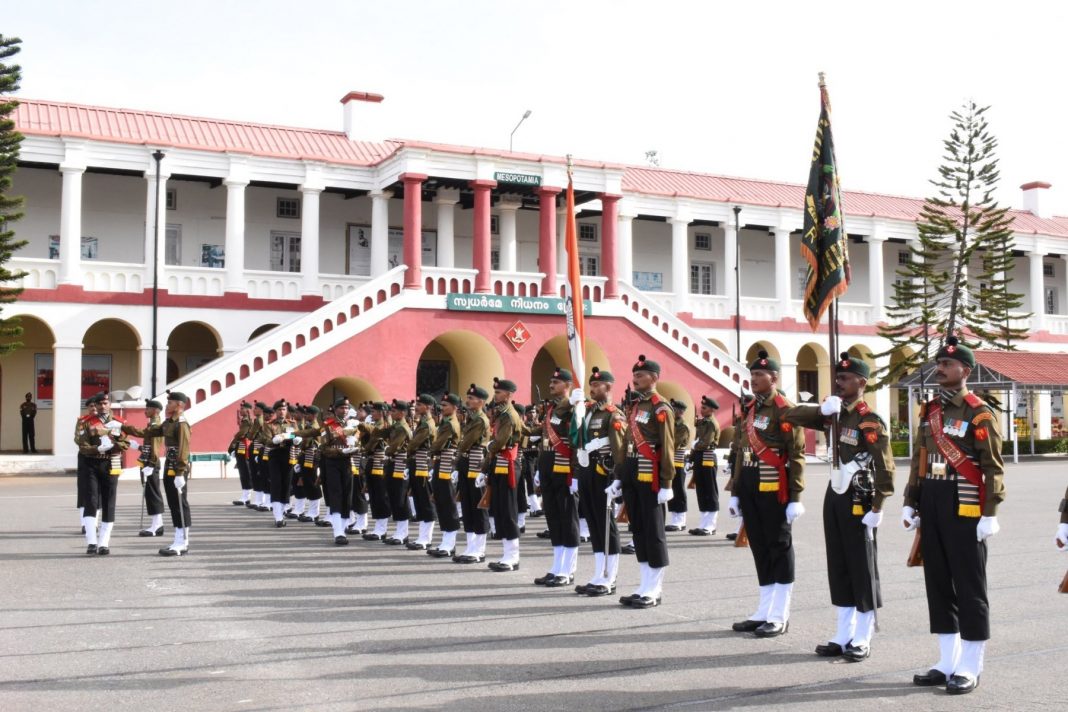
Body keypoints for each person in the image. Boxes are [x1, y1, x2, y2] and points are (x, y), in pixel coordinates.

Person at [904, 336, 1005, 694]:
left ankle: (971, 664)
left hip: (965, 505)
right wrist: (911, 501)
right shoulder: (930, 411)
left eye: (947, 364)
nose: (940, 368)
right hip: (932, 500)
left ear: (966, 369)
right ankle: (947, 660)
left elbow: (992, 467)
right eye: (938, 363)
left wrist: (990, 512)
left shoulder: (979, 412)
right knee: (939, 584)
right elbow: (920, 459)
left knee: (969, 585)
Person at [783, 351, 895, 661]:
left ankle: (863, 635)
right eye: (838, 377)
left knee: (862, 566)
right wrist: (821, 408)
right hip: (835, 493)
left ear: (861, 382)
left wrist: (879, 505)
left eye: (845, 378)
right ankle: (843, 632)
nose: (839, 382)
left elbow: (885, 465)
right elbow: (790, 416)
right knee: (839, 564)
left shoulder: (869, 420)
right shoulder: (834, 415)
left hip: (859, 497)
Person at [728, 350, 805, 637]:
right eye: (752, 374)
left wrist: (796, 497)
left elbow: (796, 454)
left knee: (779, 548)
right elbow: (740, 451)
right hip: (749, 485)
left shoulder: (785, 408)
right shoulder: (751, 408)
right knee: (759, 546)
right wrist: (736, 491)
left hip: (774, 486)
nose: (754, 379)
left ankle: (779, 614)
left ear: (774, 378)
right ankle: (763, 610)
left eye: (759, 375)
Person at [608, 355, 675, 608]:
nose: (636, 379)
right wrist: (618, 476)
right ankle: (644, 584)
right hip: (633, 472)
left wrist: (667, 483)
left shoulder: (661, 407)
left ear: (654, 378)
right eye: (635, 375)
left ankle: (654, 589)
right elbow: (626, 444)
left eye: (641, 375)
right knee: (638, 530)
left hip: (651, 476)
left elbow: (668, 447)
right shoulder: (635, 407)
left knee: (654, 532)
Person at [576, 367, 626, 596]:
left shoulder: (613, 414)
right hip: (588, 471)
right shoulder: (588, 412)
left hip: (603, 472)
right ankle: (598, 573)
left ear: (608, 386)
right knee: (594, 524)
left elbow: (618, 450)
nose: (592, 388)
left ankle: (609, 577)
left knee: (606, 525)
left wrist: (618, 478)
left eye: (597, 385)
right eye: (591, 385)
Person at [534, 367, 582, 587]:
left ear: (568, 385)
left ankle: (568, 569)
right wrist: (539, 469)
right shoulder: (551, 407)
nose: (551, 385)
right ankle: (556, 566)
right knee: (553, 516)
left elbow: (576, 440)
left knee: (567, 517)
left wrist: (576, 474)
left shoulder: (573, 408)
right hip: (548, 464)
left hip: (564, 466)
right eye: (551, 381)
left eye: (556, 382)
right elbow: (545, 438)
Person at [142, 391, 193, 557]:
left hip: (178, 466)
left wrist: (180, 472)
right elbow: (152, 432)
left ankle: (183, 542)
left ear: (179, 405)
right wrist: (121, 428)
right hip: (170, 464)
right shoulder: (169, 422)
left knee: (179, 502)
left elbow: (184, 449)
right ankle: (178, 539)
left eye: (170, 403)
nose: (167, 405)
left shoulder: (182, 423)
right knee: (172, 501)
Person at [486, 377, 524, 572]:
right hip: (500, 463)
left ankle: (513, 557)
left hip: (508, 464)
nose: (496, 395)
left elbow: (500, 442)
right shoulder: (502, 413)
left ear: (508, 395)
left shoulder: (508, 415)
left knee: (508, 511)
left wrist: (489, 446)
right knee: (500, 509)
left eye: (499, 392)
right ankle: (506, 554)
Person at [455, 384, 491, 563]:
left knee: (478, 506)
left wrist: (456, 455)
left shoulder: (480, 420)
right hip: (465, 462)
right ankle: (470, 547)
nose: (468, 401)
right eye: (468, 398)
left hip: (475, 464)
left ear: (481, 402)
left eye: (471, 398)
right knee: (468, 506)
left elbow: (466, 442)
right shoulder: (471, 418)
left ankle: (480, 550)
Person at [123, 399, 167, 537]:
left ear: (156, 410)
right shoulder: (153, 423)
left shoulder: (156, 424)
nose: (145, 411)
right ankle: (156, 524)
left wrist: (151, 464)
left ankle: (157, 525)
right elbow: (148, 445)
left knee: (153, 492)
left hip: (150, 463)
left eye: (148, 408)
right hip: (147, 460)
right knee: (150, 492)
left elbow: (155, 447)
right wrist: (139, 447)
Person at [428, 393, 463, 558]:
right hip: (441, 462)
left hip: (446, 464)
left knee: (448, 503)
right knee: (441, 502)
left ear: (455, 407)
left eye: (445, 405)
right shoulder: (445, 422)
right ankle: (445, 541)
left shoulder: (449, 424)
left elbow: (437, 445)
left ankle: (450, 544)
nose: (442, 408)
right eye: (441, 405)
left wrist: (429, 449)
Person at [406, 394, 439, 550]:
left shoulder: (427, 424)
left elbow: (413, 444)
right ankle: (422, 537)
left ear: (428, 407)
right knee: (419, 499)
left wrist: (406, 447)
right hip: (417, 463)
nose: (417, 407)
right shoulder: (422, 423)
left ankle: (426, 538)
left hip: (422, 464)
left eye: (420, 405)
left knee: (425, 500)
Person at [688, 396, 722, 536]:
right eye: (701, 407)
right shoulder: (703, 422)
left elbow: (706, 442)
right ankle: (704, 524)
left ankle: (710, 525)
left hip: (707, 457)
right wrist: (691, 458)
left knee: (710, 491)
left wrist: (695, 445)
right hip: (700, 457)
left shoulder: (711, 423)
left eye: (704, 408)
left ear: (712, 410)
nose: (702, 410)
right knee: (701, 491)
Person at [383, 399, 413, 545]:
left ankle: (403, 533)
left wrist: (386, 451)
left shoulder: (402, 428)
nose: (391, 413)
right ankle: (399, 532)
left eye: (394, 411)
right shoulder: (396, 426)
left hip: (400, 463)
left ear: (402, 413)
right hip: (393, 463)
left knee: (400, 497)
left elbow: (394, 447)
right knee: (394, 496)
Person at [362, 402, 393, 541]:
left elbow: (372, 442)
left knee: (380, 495)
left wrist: (363, 449)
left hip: (379, 463)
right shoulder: (377, 425)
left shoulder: (383, 425)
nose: (372, 414)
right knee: (374, 495)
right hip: (372, 461)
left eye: (374, 411)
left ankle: (382, 529)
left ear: (381, 413)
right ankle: (378, 527)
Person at [665, 399, 691, 532]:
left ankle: (680, 520)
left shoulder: (682, 426)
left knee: (678, 490)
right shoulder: (672, 423)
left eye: (674, 409)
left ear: (680, 412)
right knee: (671, 489)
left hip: (678, 462)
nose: (672, 411)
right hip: (670, 461)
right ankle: (675, 519)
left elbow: (673, 444)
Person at [228, 401, 255, 507]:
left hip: (245, 447)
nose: (241, 410)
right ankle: (245, 496)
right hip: (241, 447)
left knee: (245, 472)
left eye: (243, 408)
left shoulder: (247, 421)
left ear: (247, 410)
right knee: (243, 472)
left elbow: (242, 433)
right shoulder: (245, 420)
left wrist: (235, 438)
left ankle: (246, 496)